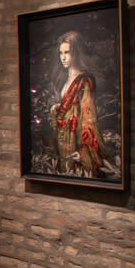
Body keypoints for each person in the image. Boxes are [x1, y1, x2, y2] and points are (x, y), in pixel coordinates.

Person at [50, 30, 102, 177]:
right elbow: (65, 108)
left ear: (76, 53)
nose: (63, 57)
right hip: (63, 138)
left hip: (76, 140)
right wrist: (56, 109)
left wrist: (84, 151)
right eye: (61, 53)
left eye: (67, 52)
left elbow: (89, 118)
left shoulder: (85, 80)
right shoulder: (64, 78)